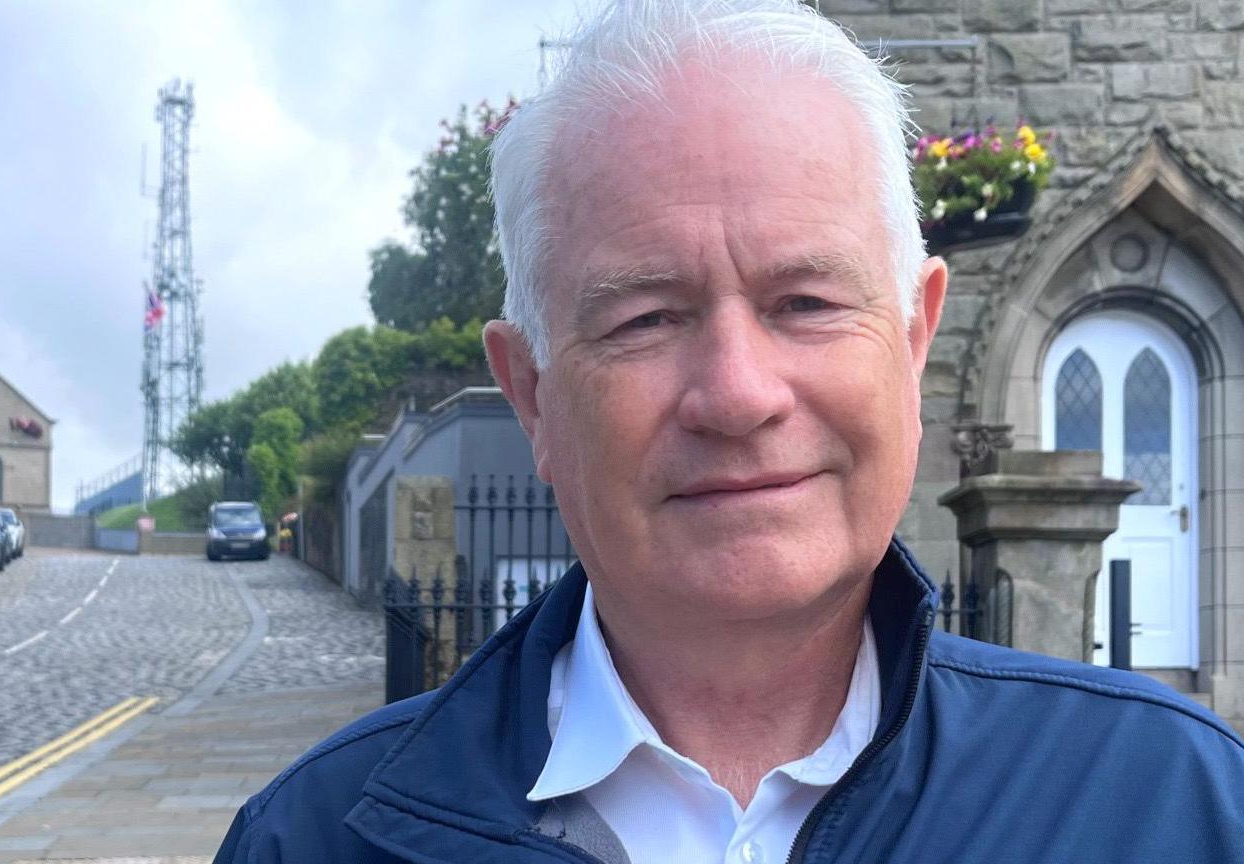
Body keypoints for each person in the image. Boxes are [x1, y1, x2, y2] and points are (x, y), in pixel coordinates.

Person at [215, 2, 1244, 862]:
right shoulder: (309, 841)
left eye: (805, 302)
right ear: (532, 395)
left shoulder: (1180, 807)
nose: (740, 393)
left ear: (915, 340)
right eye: (645, 318)